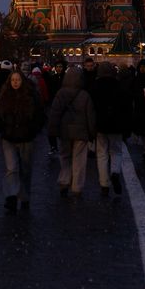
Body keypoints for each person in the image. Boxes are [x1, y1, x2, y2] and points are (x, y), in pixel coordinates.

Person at [0, 68, 45, 212]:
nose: (15, 82)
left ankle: (24, 197)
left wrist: (32, 131)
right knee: (12, 168)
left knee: (25, 170)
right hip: (9, 137)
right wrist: (2, 129)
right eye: (13, 80)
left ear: (23, 81)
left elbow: (39, 115)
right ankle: (11, 197)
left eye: (18, 80)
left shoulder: (31, 96)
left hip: (26, 138)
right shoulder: (4, 96)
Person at [47, 65, 96, 197]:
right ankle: (77, 186)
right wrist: (92, 133)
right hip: (81, 131)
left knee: (65, 157)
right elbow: (90, 116)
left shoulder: (61, 93)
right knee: (79, 159)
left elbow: (55, 113)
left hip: (64, 131)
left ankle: (64, 180)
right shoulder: (85, 95)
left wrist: (52, 130)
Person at [91, 61, 131, 197]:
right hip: (116, 125)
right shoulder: (119, 86)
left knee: (101, 154)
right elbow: (127, 108)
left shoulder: (95, 87)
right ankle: (115, 172)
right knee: (116, 151)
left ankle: (104, 184)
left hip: (101, 125)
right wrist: (127, 126)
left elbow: (91, 108)